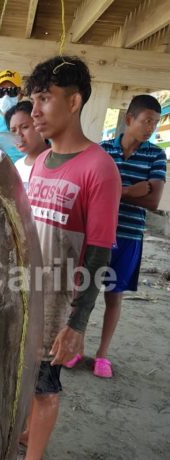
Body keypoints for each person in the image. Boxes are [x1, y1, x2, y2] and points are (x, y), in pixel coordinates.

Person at [0, 56, 121, 460]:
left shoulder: (99, 168)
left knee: (46, 388)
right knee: (25, 379)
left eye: (45, 99)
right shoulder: (43, 162)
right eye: (34, 100)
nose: (36, 111)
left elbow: (99, 252)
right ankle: (27, 437)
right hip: (26, 295)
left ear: (74, 101)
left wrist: (77, 323)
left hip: (58, 306)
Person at [66, 95, 167, 377]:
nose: (151, 128)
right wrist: (131, 190)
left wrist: (112, 191)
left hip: (128, 236)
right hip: (96, 234)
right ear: (129, 119)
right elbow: (88, 192)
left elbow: (153, 201)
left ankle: (102, 355)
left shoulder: (156, 155)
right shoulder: (102, 150)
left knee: (114, 296)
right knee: (82, 292)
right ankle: (76, 348)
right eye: (147, 121)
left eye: (155, 123)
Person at [4, 101, 49, 191]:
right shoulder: (17, 167)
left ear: (39, 125)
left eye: (24, 127)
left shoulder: (57, 160)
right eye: (13, 130)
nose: (18, 135)